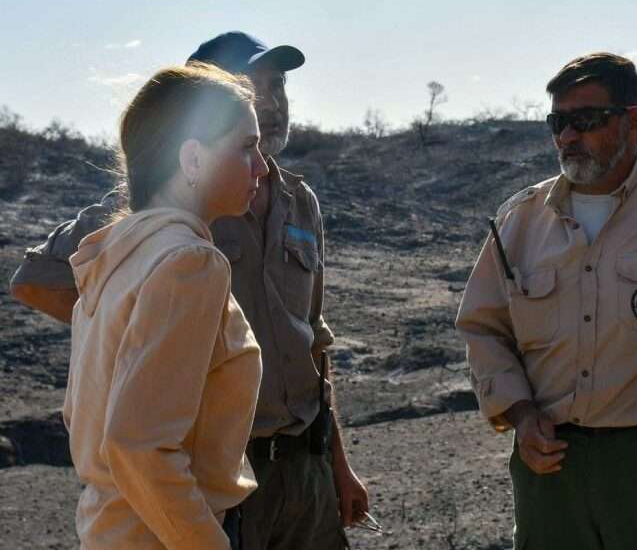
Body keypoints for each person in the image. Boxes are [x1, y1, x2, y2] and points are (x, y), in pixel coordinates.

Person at [10, 32, 368, 549]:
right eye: (251, 86)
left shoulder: (297, 202)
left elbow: (312, 338)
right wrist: (154, 349)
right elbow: (38, 284)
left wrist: (338, 464)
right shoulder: (162, 226)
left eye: (278, 86)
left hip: (296, 466)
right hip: (205, 480)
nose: (271, 103)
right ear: (193, 136)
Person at [456, 52, 637, 549]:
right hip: (550, 469)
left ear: (634, 122)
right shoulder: (521, 219)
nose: (567, 137)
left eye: (585, 120)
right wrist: (520, 413)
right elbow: (483, 327)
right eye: (558, 122)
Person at [64, 62, 266, 548]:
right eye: (246, 146)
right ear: (192, 159)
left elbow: (83, 417)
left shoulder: (118, 255)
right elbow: (139, 446)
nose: (261, 165)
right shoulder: (189, 263)